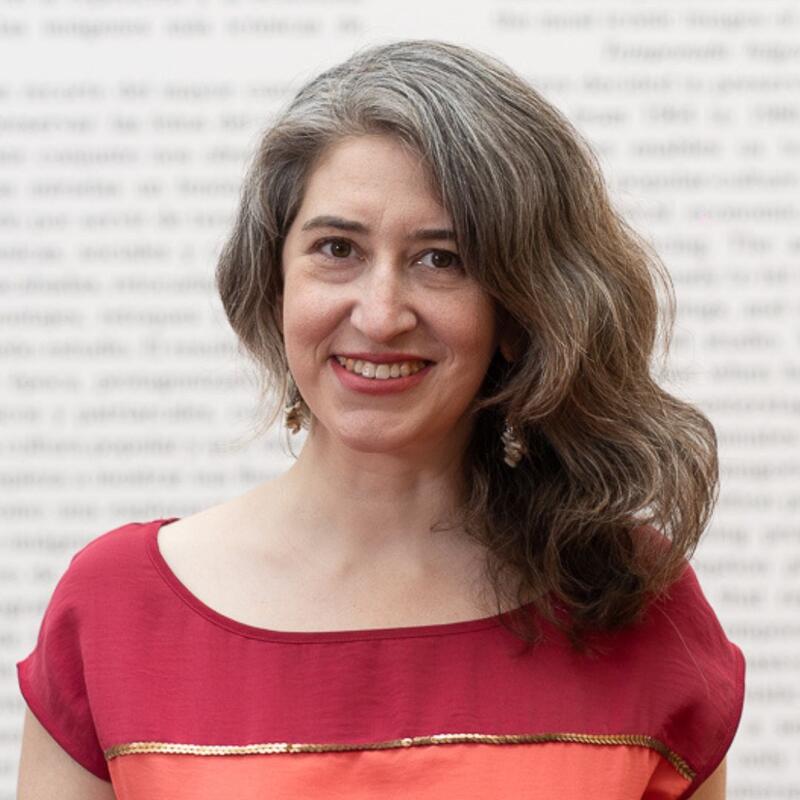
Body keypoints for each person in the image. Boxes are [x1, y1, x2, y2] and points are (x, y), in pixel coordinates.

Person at [16, 39, 744, 799]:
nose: (381, 314)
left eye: (441, 259)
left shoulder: (632, 596)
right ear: (274, 280)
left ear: (520, 309)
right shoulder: (115, 611)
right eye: (337, 249)